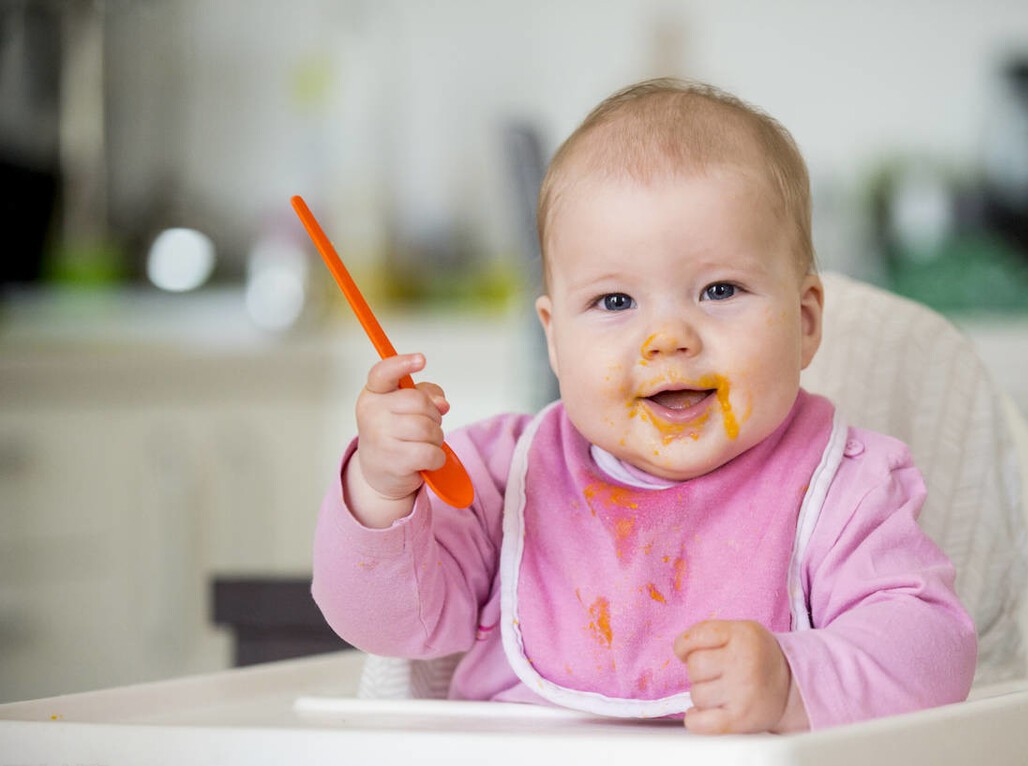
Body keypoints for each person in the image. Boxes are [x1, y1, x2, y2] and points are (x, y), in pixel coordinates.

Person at [312, 78, 977, 735]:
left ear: (804, 322)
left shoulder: (842, 489)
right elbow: (393, 626)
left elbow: (933, 652)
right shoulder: (499, 476)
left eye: (718, 290)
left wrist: (792, 679)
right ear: (553, 337)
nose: (668, 339)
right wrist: (379, 492)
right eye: (614, 303)